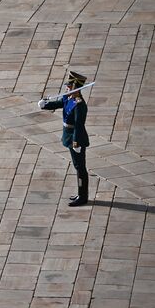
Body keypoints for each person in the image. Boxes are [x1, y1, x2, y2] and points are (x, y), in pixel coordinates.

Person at [39, 71, 90, 207]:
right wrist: (45, 105)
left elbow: (79, 125)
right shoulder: (68, 98)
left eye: (69, 87)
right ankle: (80, 193)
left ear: (76, 90)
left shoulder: (79, 105)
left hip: (76, 139)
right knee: (77, 166)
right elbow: (59, 103)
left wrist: (76, 142)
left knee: (80, 167)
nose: (66, 89)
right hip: (68, 136)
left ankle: (83, 196)